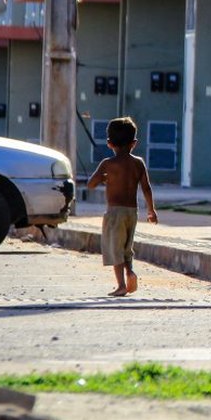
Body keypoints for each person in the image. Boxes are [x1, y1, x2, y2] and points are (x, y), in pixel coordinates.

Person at [87, 117, 158, 297]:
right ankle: (131, 272)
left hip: (114, 212)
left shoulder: (107, 164)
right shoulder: (138, 163)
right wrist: (151, 210)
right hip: (132, 212)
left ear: (109, 143)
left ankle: (121, 285)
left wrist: (103, 178)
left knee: (114, 248)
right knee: (127, 246)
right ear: (134, 143)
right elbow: (146, 188)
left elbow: (90, 184)